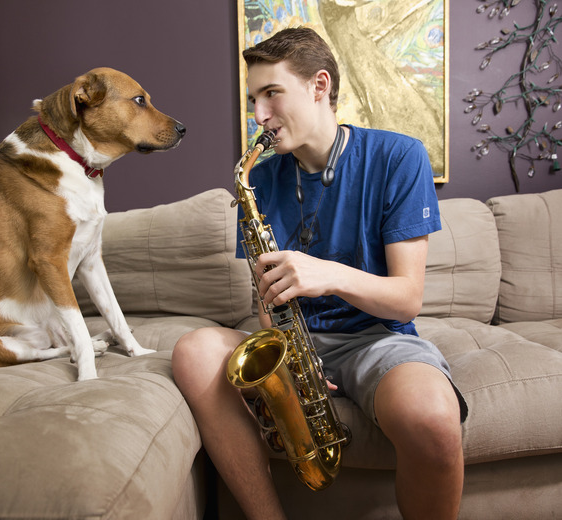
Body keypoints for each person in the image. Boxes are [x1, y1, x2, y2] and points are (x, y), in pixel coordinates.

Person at [171, 27, 467, 520]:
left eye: (271, 94)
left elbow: (406, 299)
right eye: (252, 99)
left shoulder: (399, 156)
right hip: (297, 342)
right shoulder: (258, 179)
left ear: (319, 86)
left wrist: (327, 274)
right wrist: (284, 358)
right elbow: (267, 300)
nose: (258, 116)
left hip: (379, 338)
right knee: (193, 351)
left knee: (434, 420)